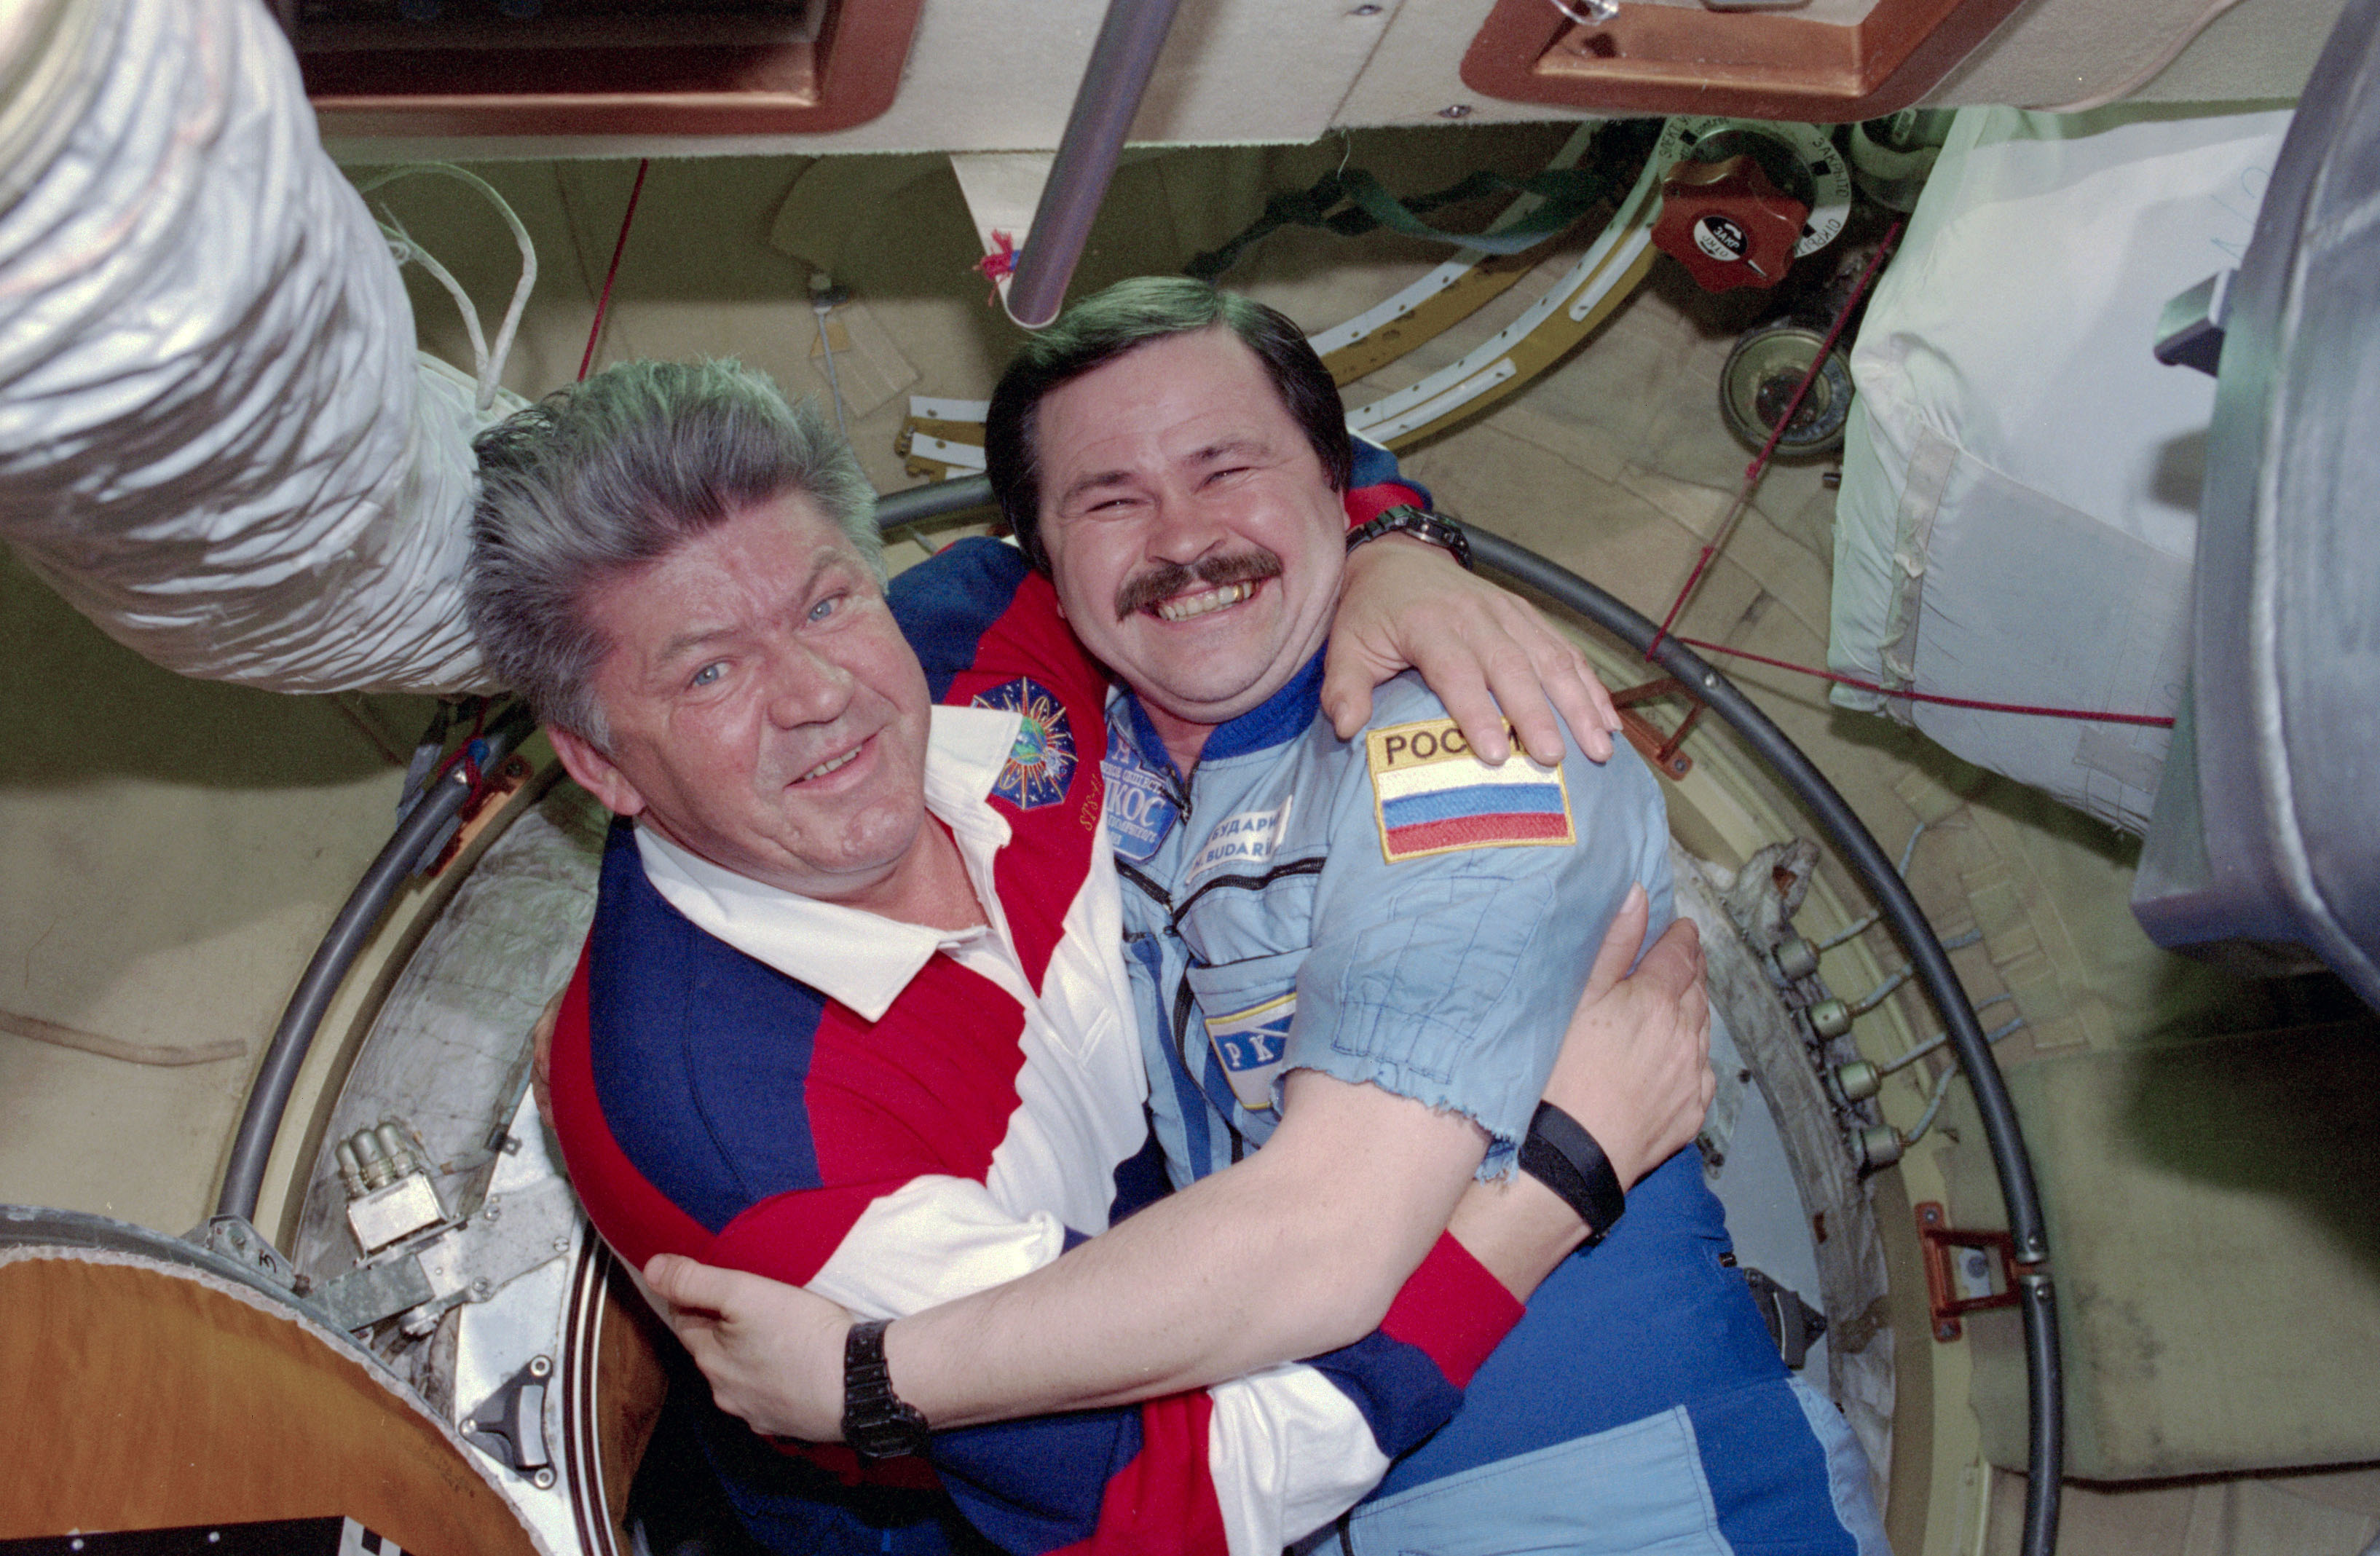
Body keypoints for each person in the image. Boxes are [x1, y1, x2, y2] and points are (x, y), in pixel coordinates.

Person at [645, 280, 1890, 1556]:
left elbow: (1327, 1238)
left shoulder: (1471, 733)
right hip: (1311, 1499)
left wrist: (870, 1379)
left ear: (1330, 489)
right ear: (1049, 562)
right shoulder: (1089, 769)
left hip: (1619, 1499)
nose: (1183, 537)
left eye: (1226, 467)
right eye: (1110, 500)